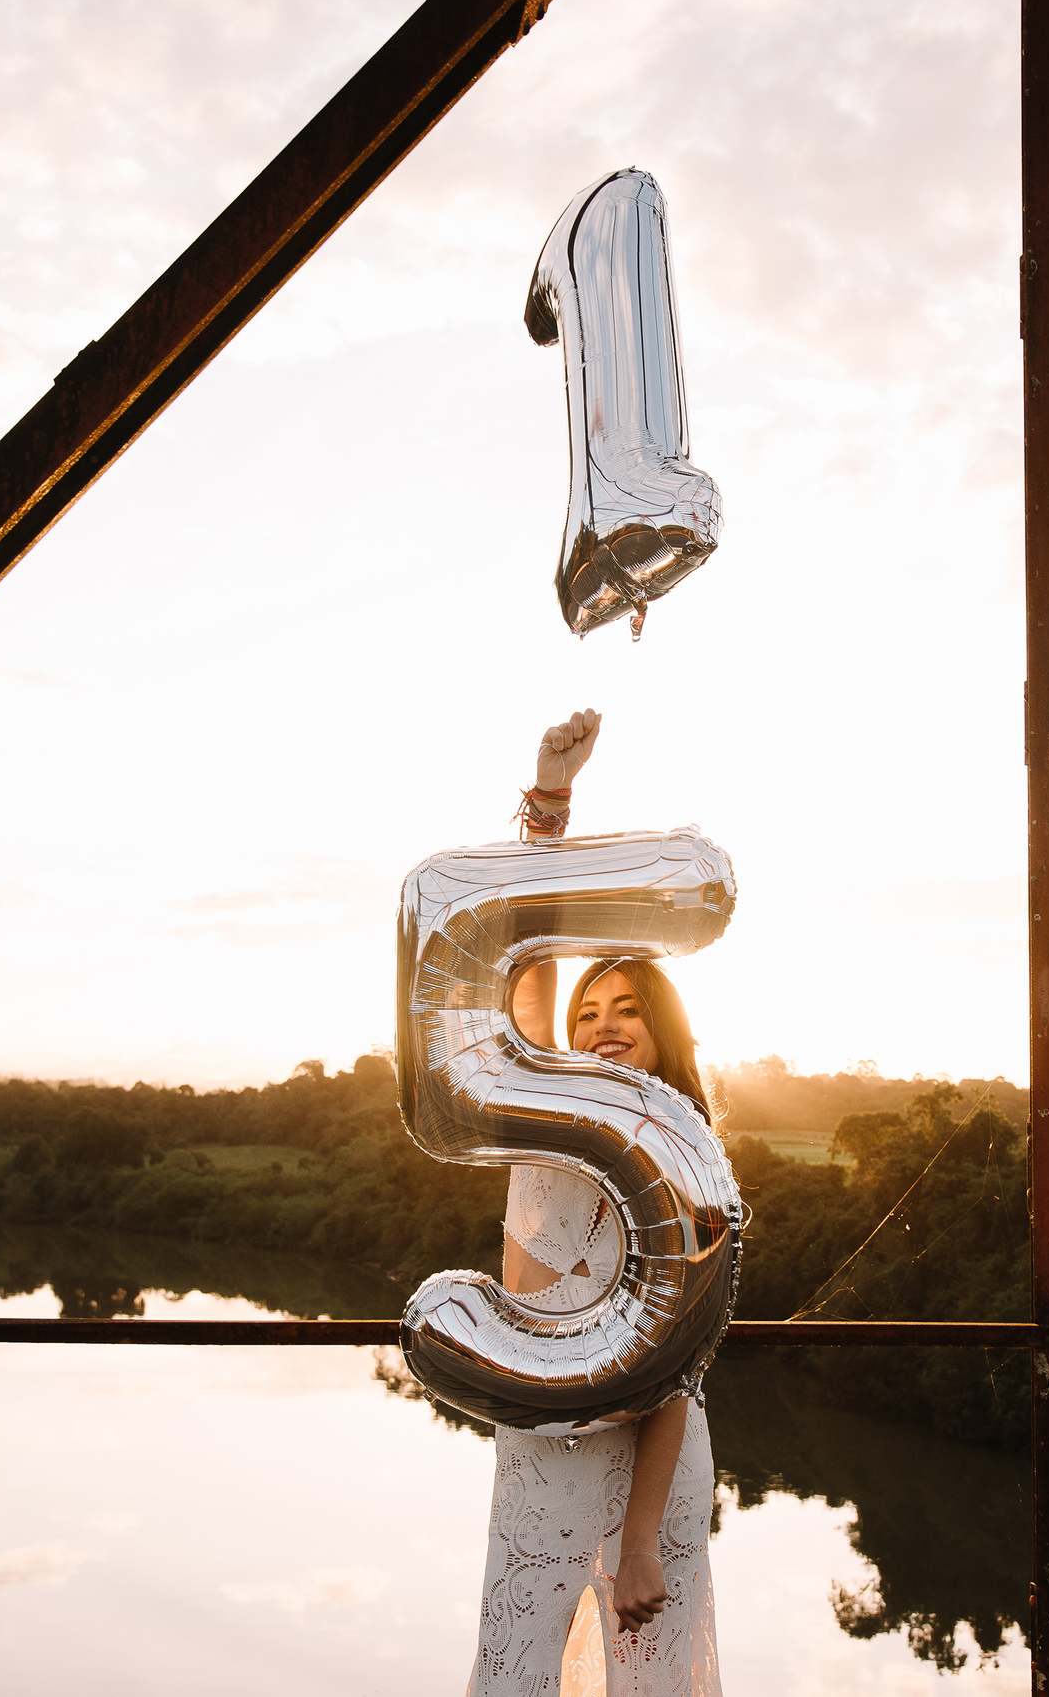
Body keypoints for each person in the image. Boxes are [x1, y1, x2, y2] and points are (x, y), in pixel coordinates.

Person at [466, 710, 727, 1697]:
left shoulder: (687, 1162)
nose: (605, 1029)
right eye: (590, 1014)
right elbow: (521, 961)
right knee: (515, 1667)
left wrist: (646, 1541)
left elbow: (677, 1368)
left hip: (647, 1466)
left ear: (663, 1036)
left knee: (647, 1673)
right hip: (539, 1449)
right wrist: (549, 801)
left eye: (628, 1014)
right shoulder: (540, 1111)